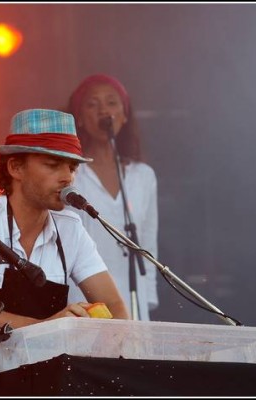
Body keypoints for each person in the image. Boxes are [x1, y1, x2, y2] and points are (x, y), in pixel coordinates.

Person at [0, 108, 129, 396]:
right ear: (15, 168)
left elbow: (116, 309)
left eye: (72, 167)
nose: (67, 177)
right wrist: (45, 330)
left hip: (37, 384)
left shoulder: (71, 229)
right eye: (53, 164)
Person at [65, 73, 159, 321]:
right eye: (92, 104)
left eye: (111, 102)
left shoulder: (143, 176)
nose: (103, 110)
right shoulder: (70, 173)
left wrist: (147, 296)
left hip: (133, 294)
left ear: (125, 115)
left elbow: (148, 242)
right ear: (81, 118)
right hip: (83, 295)